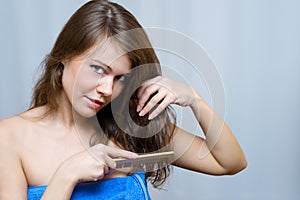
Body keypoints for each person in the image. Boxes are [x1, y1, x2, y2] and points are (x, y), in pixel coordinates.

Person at [0, 0, 247, 199]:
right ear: (64, 56)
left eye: (120, 78)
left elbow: (230, 163)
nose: (107, 89)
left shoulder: (133, 125)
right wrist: (66, 175)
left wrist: (195, 99)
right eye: (97, 69)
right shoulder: (10, 137)